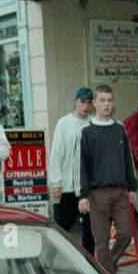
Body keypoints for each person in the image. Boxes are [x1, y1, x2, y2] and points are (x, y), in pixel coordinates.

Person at [77, 84, 137, 274]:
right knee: (101, 240)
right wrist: (84, 195)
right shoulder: (87, 133)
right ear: (94, 103)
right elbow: (82, 165)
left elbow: (128, 159)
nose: (106, 104)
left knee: (125, 234)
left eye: (109, 100)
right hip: (97, 193)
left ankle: (106, 267)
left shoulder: (120, 130)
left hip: (120, 191)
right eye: (102, 100)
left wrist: (131, 186)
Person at [49, 87, 96, 254]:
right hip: (69, 186)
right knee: (62, 227)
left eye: (89, 102)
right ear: (75, 102)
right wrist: (56, 182)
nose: (85, 106)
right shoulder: (64, 123)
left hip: (88, 187)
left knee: (90, 231)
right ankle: (46, 259)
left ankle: (89, 265)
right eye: (82, 102)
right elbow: (57, 154)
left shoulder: (94, 123)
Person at [123, 98, 138, 231]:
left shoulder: (132, 119)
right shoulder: (136, 120)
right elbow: (134, 141)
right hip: (130, 161)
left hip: (127, 160)